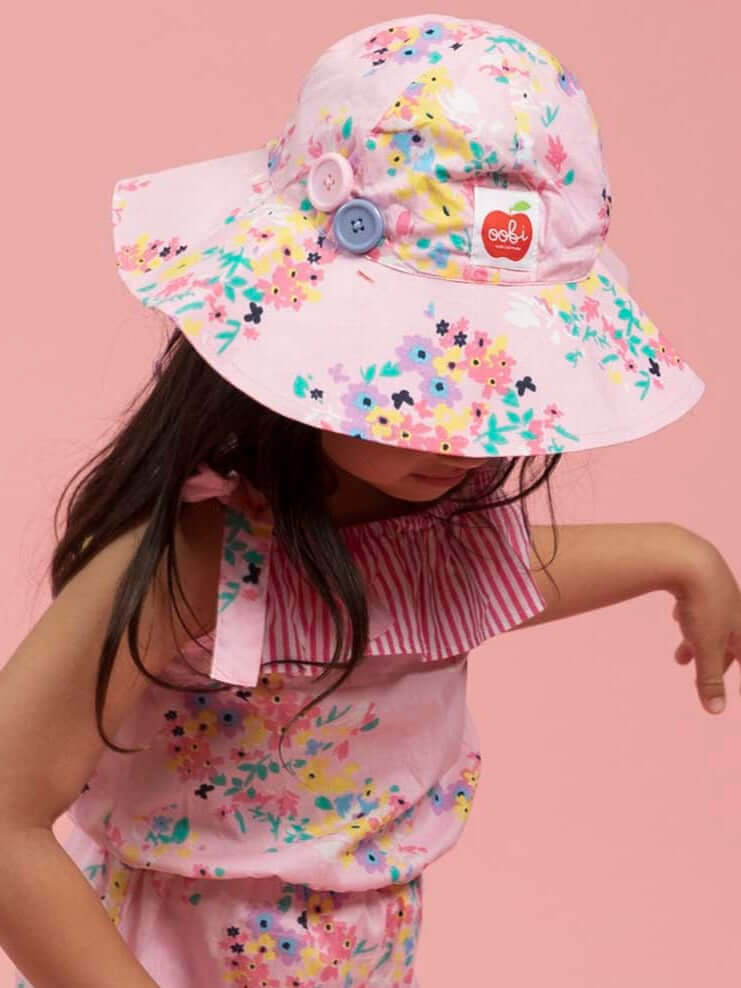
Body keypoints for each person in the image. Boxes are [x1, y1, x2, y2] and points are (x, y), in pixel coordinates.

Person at [1, 13, 736, 988]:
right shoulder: (202, 557)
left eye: (497, 388)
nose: (463, 433)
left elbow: (470, 579)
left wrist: (680, 555)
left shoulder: (439, 529)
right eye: (427, 382)